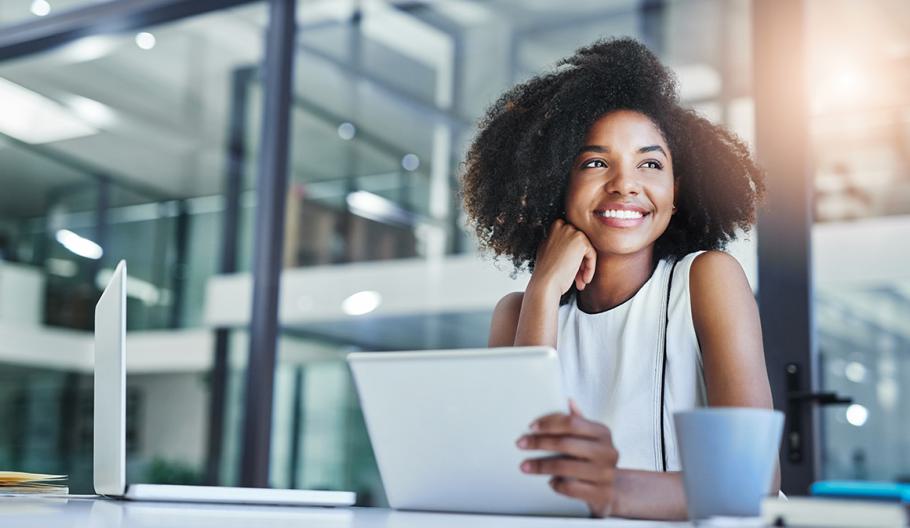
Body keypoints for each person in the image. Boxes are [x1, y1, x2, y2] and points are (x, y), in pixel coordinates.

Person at [460, 38, 777, 520]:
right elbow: (517, 477)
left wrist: (611, 490)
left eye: (650, 164)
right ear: (554, 183)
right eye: (595, 163)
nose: (626, 184)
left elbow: (753, 480)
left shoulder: (705, 280)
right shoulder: (518, 312)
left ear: (675, 191)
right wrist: (543, 290)